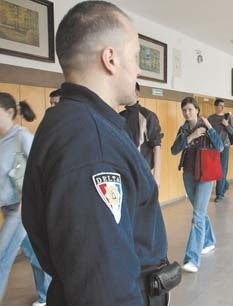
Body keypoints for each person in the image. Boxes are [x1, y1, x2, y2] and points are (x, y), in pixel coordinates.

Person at [21, 2, 169, 305]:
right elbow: (105, 290)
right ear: (111, 58)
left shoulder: (72, 122)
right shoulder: (90, 144)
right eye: (136, 56)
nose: (139, 69)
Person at [0, 94, 51, 306]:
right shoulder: (1, 141)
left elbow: (40, 169)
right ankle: (47, 296)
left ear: (9, 113)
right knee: (37, 255)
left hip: (21, 210)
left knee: (1, 257)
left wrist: (26, 203)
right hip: (8, 207)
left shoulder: (22, 137)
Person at [171, 97, 223, 273]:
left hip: (205, 175)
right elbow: (174, 150)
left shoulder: (207, 128)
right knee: (200, 212)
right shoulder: (184, 129)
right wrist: (190, 137)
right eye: (184, 110)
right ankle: (209, 241)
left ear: (197, 110)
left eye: (190, 110)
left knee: (197, 215)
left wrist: (209, 127)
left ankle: (192, 258)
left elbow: (221, 146)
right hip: (188, 174)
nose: (187, 113)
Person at [120, 82, 163, 186]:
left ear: (137, 93)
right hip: (123, 171)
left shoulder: (148, 116)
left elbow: (157, 146)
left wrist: (156, 177)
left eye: (128, 89)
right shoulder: (119, 117)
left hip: (142, 172)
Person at [208, 99, 233, 203]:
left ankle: (219, 194)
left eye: (223, 106)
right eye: (220, 105)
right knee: (215, 170)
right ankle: (225, 184)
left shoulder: (229, 118)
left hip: (225, 146)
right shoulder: (210, 118)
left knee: (222, 170)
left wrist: (226, 125)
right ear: (216, 106)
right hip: (213, 147)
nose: (222, 107)